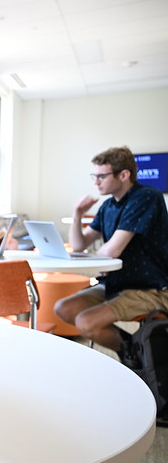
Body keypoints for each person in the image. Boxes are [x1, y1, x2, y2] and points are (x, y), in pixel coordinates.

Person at [54, 146, 168, 360]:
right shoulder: (108, 205)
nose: (96, 181)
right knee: (64, 308)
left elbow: (112, 250)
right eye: (94, 176)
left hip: (151, 289)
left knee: (86, 322)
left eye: (101, 176)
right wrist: (77, 214)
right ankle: (137, 350)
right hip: (118, 284)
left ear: (124, 175)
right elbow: (79, 244)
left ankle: (135, 357)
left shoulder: (146, 198)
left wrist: (94, 261)